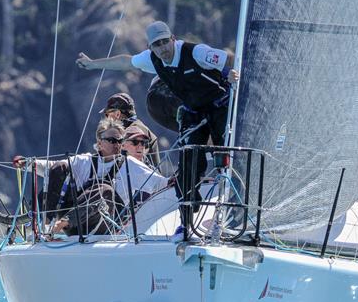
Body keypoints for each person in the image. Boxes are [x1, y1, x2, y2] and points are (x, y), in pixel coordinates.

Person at [76, 21, 239, 190]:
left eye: (165, 42)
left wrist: (231, 73)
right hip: (195, 109)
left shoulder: (196, 52)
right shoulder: (152, 58)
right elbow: (126, 62)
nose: (162, 48)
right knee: (189, 165)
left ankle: (232, 188)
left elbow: (230, 58)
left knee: (225, 152)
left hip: (220, 105)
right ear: (150, 47)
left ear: (173, 39)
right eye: (156, 45)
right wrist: (93, 64)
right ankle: (190, 205)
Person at [14, 119, 169, 235]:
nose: (117, 144)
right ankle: (46, 224)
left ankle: (60, 224)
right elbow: (51, 167)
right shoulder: (85, 161)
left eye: (120, 141)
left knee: (105, 190)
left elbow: (159, 184)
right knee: (59, 167)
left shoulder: (131, 165)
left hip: (106, 226)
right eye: (112, 140)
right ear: (99, 143)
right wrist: (27, 164)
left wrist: (176, 181)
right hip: (78, 225)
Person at [100, 92, 161, 169]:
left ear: (117, 114)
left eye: (107, 114)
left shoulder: (133, 131)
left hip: (141, 179)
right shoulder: (138, 126)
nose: (107, 118)